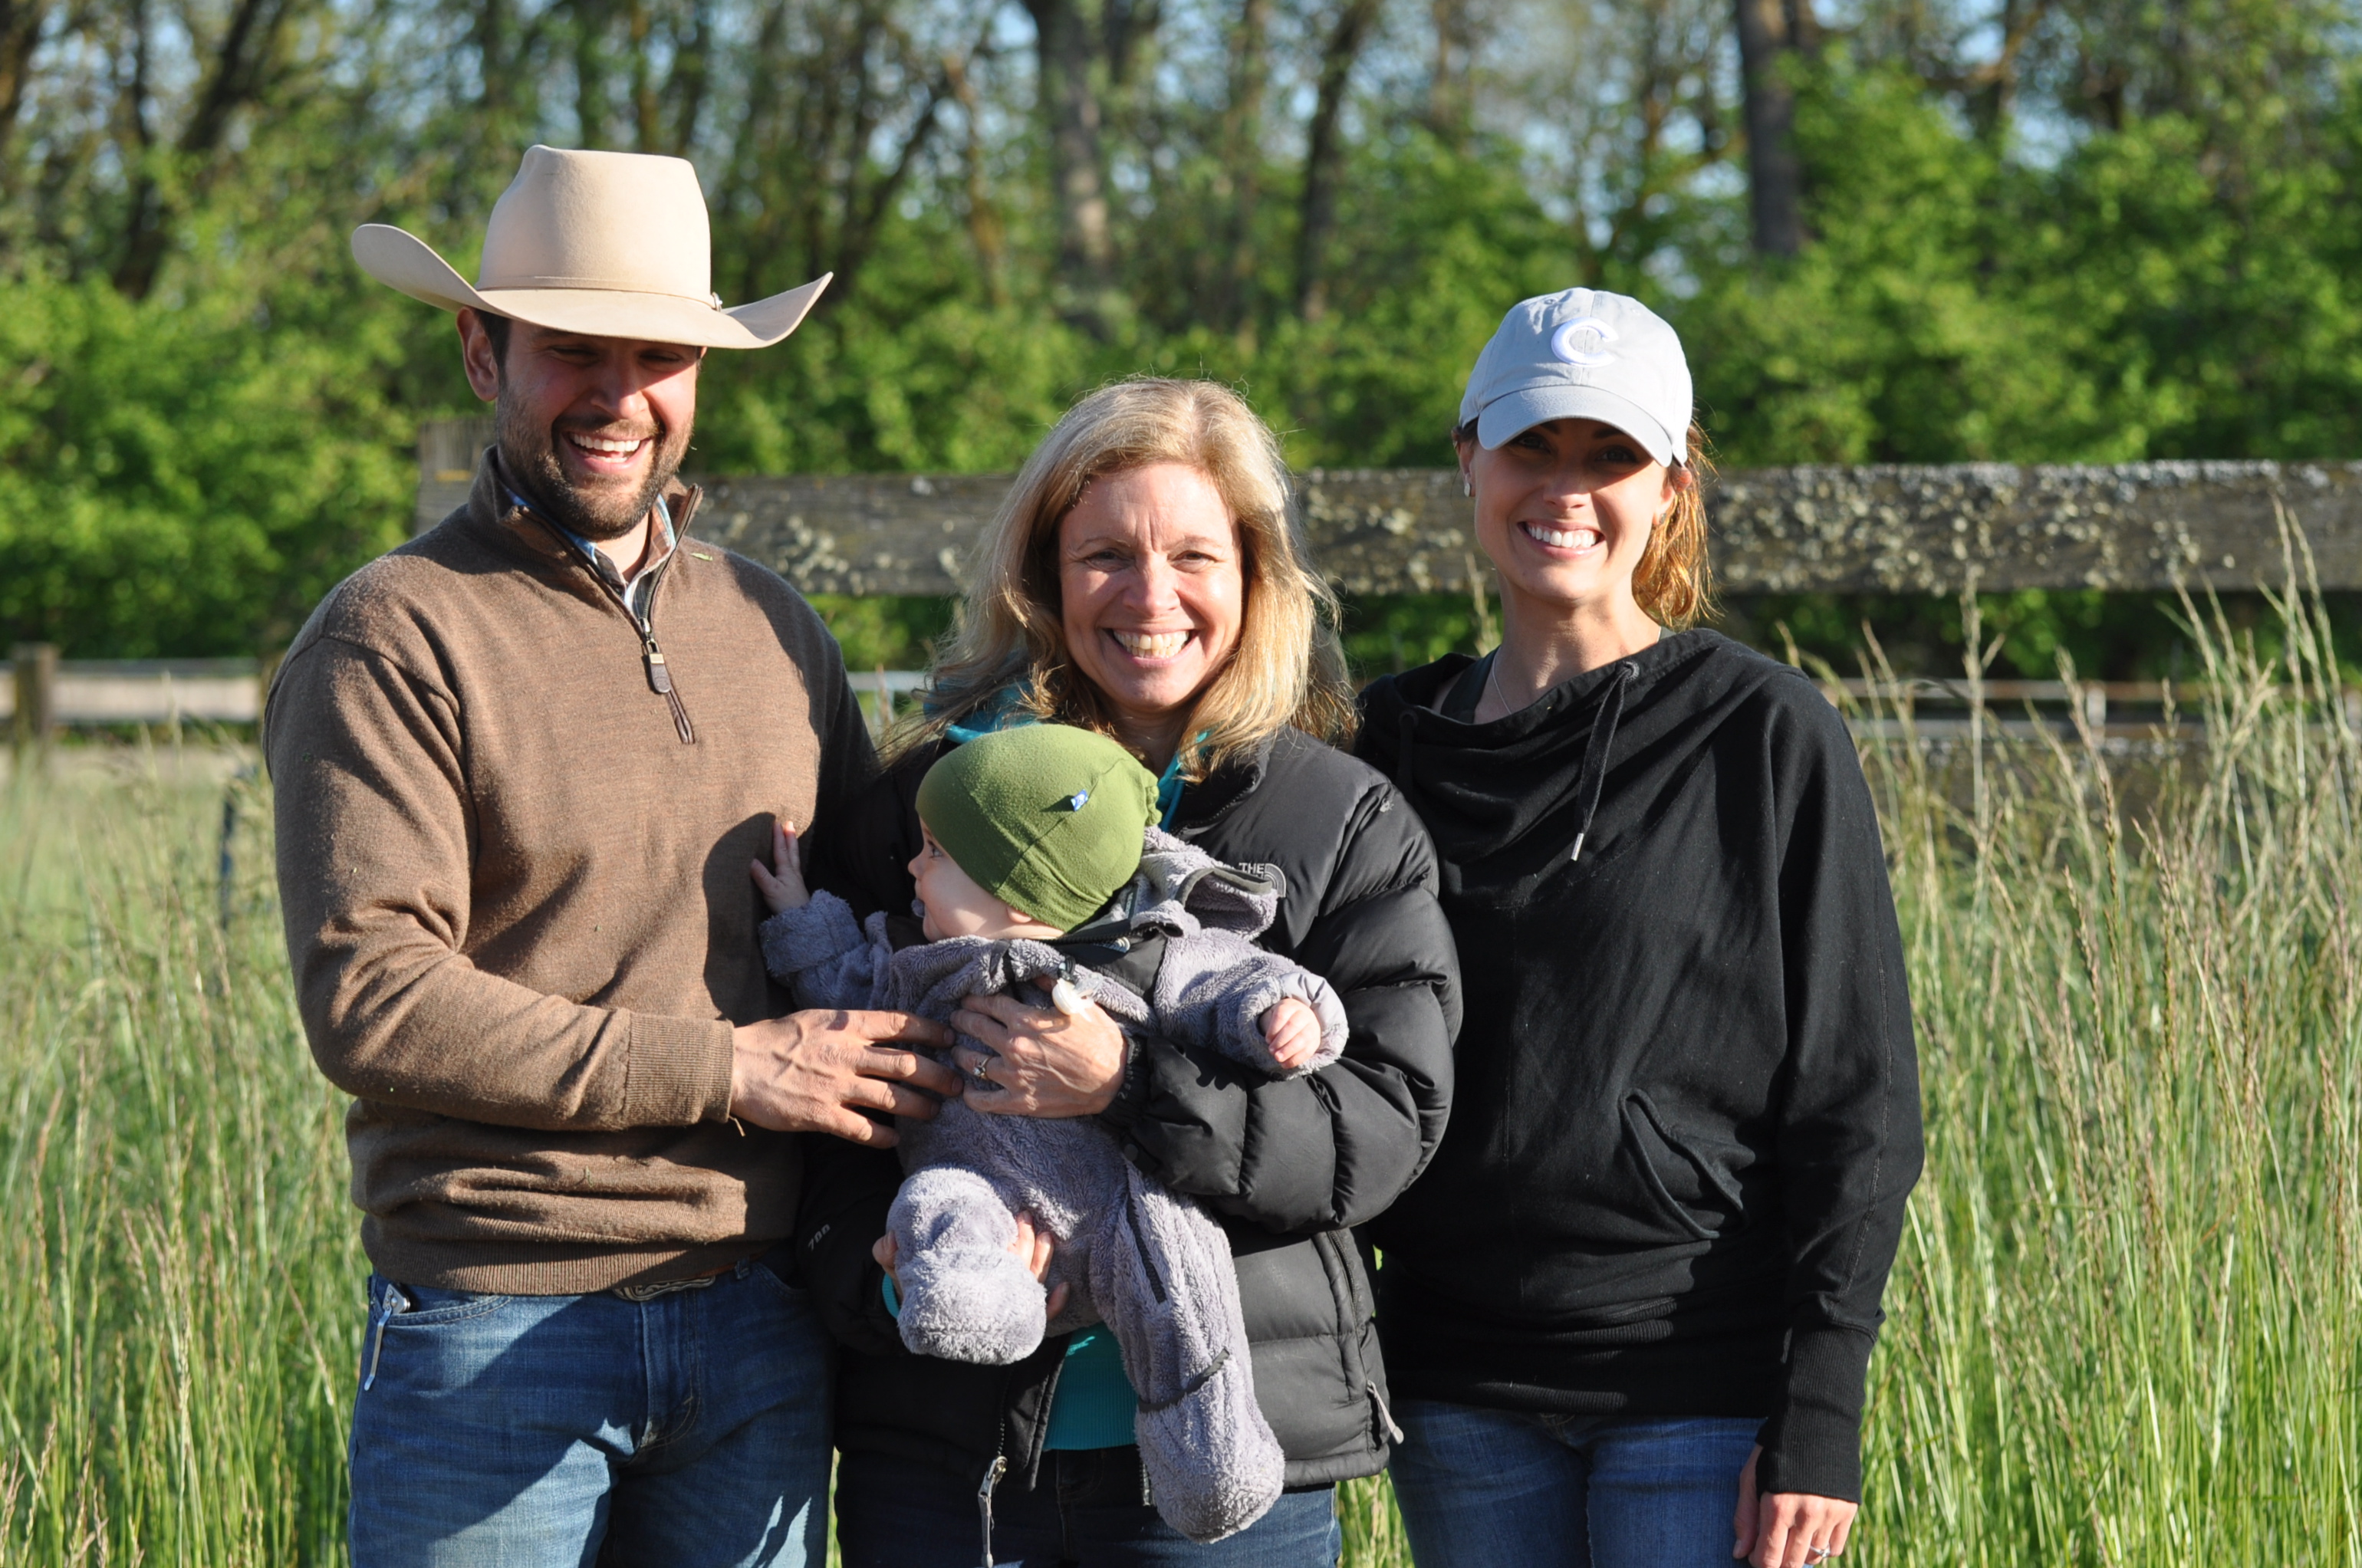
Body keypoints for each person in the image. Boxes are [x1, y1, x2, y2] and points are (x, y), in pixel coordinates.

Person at [265, 144, 963, 1567]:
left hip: (761, 1321)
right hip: (497, 1320)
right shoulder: (394, 633)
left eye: (660, 356)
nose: (621, 395)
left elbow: (882, 911)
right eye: (574, 350)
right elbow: (374, 998)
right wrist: (731, 1072)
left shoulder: (775, 628)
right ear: (483, 352)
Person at [791, 378, 1462, 1566]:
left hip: (1222, 1488)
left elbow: (1386, 1119)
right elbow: (817, 1092)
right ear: (1043, 575)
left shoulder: (1338, 819)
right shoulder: (930, 804)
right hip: (946, 1459)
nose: (1151, 595)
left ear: (1255, 576)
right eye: (1105, 554)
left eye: (1194, 555)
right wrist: (881, 1271)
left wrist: (1128, 1085)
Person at [1354, 288, 1924, 1568]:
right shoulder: (1385, 746)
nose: (1567, 490)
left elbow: (1859, 1099)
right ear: (1468, 457)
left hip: (1699, 1389)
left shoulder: (1763, 733)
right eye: (1532, 447)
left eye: (1611, 455)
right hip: (1454, 1393)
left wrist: (1820, 1412)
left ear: (1670, 485)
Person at [757, 722, 1354, 1543]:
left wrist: (1288, 1014)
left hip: (1119, 1208)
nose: (912, 868)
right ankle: (978, 1307)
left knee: (1181, 1275)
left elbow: (1236, 978)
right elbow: (843, 985)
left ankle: (1214, 1460)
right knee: (934, 1201)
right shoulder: (922, 963)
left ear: (1017, 888)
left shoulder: (1146, 953)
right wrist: (798, 914)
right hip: (986, 1204)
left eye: (935, 852)